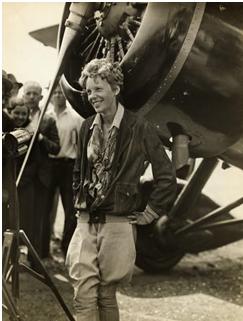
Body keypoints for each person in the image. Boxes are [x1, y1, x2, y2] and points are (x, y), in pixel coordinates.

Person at [66, 58, 177, 321]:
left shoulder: (140, 128)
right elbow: (78, 172)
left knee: (106, 294)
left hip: (117, 224)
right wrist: (78, 202)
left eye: (98, 89)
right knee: (83, 295)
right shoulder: (86, 127)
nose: (92, 96)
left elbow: (166, 176)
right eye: (89, 90)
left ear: (115, 89)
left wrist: (149, 214)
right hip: (85, 221)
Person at [21, 81, 60, 260]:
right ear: (23, 95)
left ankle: (36, 258)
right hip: (21, 176)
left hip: (42, 176)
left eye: (35, 94)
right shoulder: (16, 115)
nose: (31, 97)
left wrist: (42, 138)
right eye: (28, 93)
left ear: (41, 97)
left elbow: (56, 148)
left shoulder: (48, 119)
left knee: (40, 218)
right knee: (20, 218)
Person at [47, 83, 83, 256]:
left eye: (61, 92)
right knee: (46, 208)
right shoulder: (46, 117)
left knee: (70, 209)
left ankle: (66, 247)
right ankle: (43, 247)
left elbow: (81, 145)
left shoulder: (76, 118)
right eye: (55, 92)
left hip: (68, 165)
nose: (58, 95)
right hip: (50, 165)